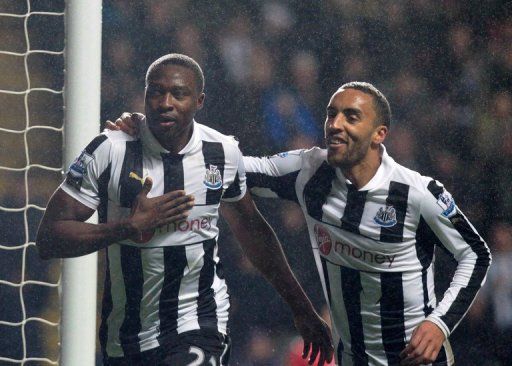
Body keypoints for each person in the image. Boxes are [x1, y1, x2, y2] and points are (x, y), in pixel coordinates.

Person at [113, 81, 491, 366]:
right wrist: (155, 132)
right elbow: (228, 164)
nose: (335, 124)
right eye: (331, 114)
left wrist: (440, 323)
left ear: (380, 134)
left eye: (351, 116)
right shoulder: (310, 171)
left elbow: (476, 255)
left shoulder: (417, 193)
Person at [36, 53, 333, 366]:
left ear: (199, 101)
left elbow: (253, 230)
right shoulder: (110, 149)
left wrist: (302, 309)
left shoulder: (221, 152)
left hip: (198, 325)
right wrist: (126, 227)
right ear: (145, 95)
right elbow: (49, 238)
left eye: (178, 93)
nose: (166, 102)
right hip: (125, 338)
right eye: (156, 91)